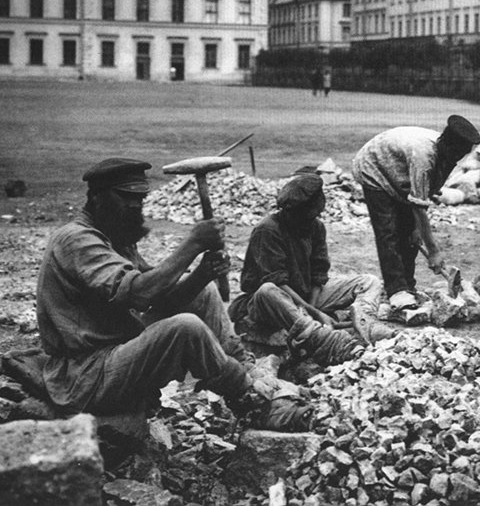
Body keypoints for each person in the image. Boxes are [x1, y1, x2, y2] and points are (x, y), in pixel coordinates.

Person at [36, 158, 311, 430]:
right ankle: (251, 403)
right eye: (125, 198)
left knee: (203, 291)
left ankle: (245, 370)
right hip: (85, 374)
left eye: (140, 199)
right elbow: (140, 293)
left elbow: (161, 297)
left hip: (114, 353)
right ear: (97, 198)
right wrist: (193, 243)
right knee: (186, 329)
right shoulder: (76, 239)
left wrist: (203, 274)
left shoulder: (114, 237)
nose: (135, 206)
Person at [229, 173, 392, 365]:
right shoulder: (268, 230)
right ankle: (318, 336)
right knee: (267, 291)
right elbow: (276, 281)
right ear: (292, 213)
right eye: (308, 215)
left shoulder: (316, 226)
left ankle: (365, 323)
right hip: (269, 301)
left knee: (368, 281)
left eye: (316, 214)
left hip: (304, 295)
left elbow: (318, 273)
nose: (313, 219)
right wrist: (313, 312)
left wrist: (313, 308)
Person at [351, 115, 480, 311]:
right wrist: (434, 252)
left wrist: (416, 230)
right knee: (388, 231)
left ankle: (408, 286)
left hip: (398, 173)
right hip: (374, 167)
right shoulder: (424, 156)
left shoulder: (448, 155)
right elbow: (419, 207)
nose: (461, 157)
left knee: (410, 234)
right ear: (450, 146)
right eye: (459, 153)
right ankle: (396, 290)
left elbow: (425, 193)